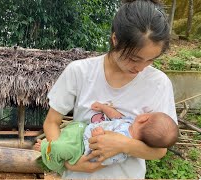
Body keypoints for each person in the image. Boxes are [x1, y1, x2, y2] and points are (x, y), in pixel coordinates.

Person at [39, 0, 177, 178]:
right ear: (115, 40)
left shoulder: (159, 83)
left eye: (150, 60)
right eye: (134, 59)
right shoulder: (79, 71)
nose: (141, 67)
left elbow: (159, 151)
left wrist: (123, 145)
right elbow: (51, 123)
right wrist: (67, 162)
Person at [36, 102, 178, 175]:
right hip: (81, 130)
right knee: (67, 132)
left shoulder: (123, 152)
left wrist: (98, 135)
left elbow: (104, 158)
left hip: (81, 148)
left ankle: (45, 151)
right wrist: (104, 108)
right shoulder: (129, 122)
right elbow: (115, 116)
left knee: (60, 148)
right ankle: (50, 147)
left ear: (145, 118)